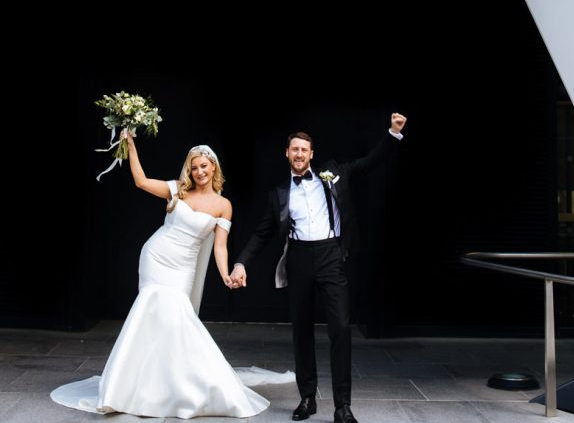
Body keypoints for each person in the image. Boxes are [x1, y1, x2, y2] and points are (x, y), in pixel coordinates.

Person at [50, 132, 290, 418]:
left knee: (176, 320)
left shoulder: (223, 205)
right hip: (156, 257)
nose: (199, 171)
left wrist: (226, 274)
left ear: (213, 167)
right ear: (189, 169)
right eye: (194, 167)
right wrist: (131, 145)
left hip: (182, 268)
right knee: (151, 314)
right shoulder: (177, 189)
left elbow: (220, 247)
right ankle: (132, 387)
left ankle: (173, 384)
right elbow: (140, 181)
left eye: (204, 166)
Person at [229, 113, 407, 423]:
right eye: (294, 149)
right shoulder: (279, 194)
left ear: (312, 154)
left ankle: (342, 406)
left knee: (340, 328)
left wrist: (393, 133)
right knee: (302, 332)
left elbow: (369, 162)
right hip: (298, 259)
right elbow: (261, 233)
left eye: (304, 150)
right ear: (287, 153)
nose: (299, 154)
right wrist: (241, 261)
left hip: (330, 257)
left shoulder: (334, 173)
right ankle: (307, 398)